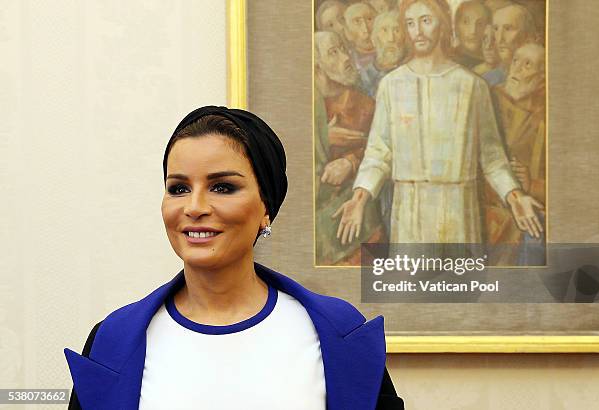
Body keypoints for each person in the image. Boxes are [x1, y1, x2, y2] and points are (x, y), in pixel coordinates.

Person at [64, 106, 403, 409]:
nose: (194, 207)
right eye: (178, 188)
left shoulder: (339, 333)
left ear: (265, 208)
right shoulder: (113, 342)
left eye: (223, 187)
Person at [333, 0, 544, 245]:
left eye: (426, 21)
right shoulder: (392, 84)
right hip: (409, 210)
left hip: (460, 209)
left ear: (442, 24)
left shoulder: (472, 85)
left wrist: (515, 196)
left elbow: (492, 156)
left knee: (460, 281)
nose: (418, 31)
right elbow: (379, 152)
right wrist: (359, 199)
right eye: (411, 23)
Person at [314, 32, 386, 265]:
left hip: (359, 219)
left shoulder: (365, 104)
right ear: (316, 65)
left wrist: (351, 161)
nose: (346, 58)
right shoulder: (306, 106)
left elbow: (384, 148)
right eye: (333, 53)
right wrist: (324, 137)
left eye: (344, 49)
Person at [484, 42, 546, 264]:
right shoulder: (488, 100)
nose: (517, 69)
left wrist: (531, 185)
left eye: (527, 65)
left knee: (535, 229)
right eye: (516, 61)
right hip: (488, 203)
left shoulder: (547, 117)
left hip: (531, 208)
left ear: (542, 79)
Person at [492, 3, 537, 78]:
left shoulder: (538, 79)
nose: (499, 39)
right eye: (496, 29)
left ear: (527, 34)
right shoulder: (489, 78)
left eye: (508, 28)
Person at [452, 0, 490, 69]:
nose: (473, 31)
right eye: (466, 22)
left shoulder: (493, 64)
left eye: (480, 24)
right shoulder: (449, 61)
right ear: (456, 26)